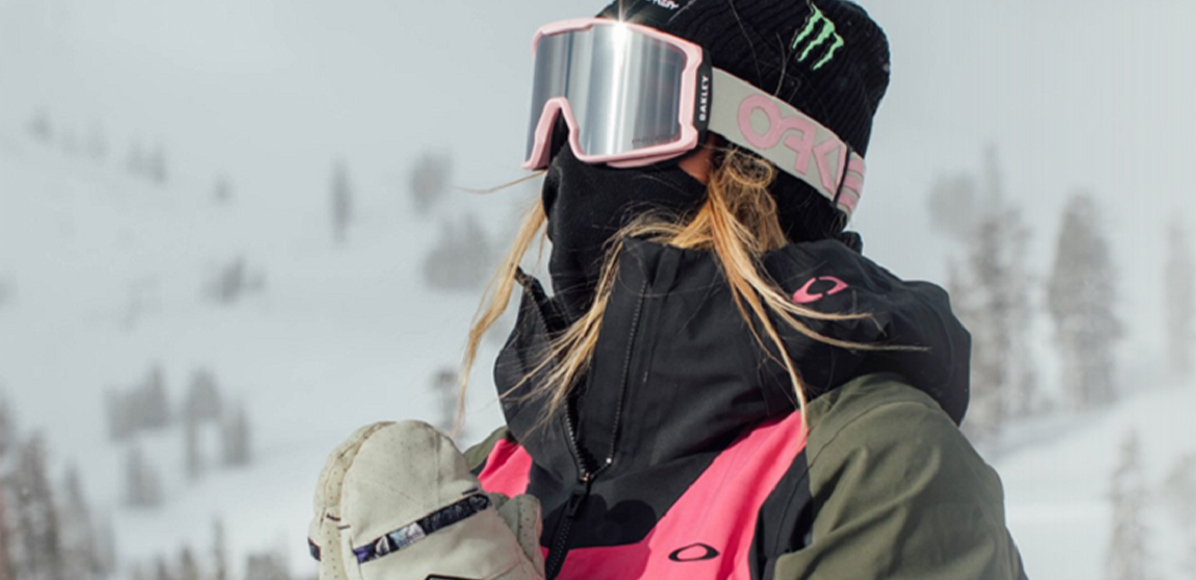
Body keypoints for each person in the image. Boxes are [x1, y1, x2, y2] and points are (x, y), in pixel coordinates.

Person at [310, 1, 1028, 579]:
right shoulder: (494, 477)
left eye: (627, 103)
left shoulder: (872, 467)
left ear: (757, 165)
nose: (573, 151)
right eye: (566, 100)